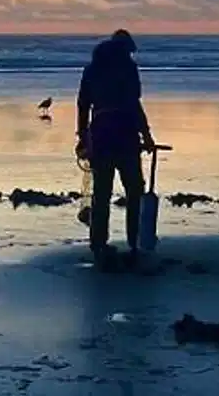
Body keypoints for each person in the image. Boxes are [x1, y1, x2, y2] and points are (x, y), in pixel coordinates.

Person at [75, 29, 156, 268]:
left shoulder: (91, 69)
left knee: (101, 193)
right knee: (135, 190)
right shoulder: (128, 68)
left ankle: (99, 244)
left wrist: (83, 136)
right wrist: (146, 134)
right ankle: (135, 241)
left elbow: (82, 105)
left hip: (99, 133)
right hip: (125, 134)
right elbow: (133, 104)